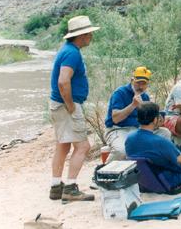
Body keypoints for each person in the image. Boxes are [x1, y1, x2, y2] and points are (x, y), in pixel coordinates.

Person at [48, 15, 99, 203]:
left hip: (58, 105)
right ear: (82, 35)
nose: (91, 37)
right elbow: (63, 81)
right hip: (66, 106)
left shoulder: (67, 50)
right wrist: (70, 105)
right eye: (89, 34)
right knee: (83, 146)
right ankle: (70, 189)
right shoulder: (72, 53)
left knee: (62, 144)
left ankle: (56, 187)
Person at [104, 66, 171, 162]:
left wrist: (156, 123)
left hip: (137, 130)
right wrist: (133, 105)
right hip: (118, 129)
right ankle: (106, 172)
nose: (140, 86)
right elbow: (116, 119)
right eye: (138, 83)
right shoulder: (120, 93)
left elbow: (146, 122)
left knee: (164, 133)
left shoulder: (145, 97)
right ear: (132, 80)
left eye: (144, 84)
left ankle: (157, 169)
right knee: (122, 151)